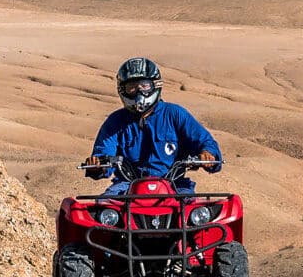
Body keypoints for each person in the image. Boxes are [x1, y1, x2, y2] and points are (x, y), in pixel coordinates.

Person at [85, 57, 221, 195]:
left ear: (155, 85)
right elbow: (103, 152)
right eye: (132, 87)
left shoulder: (175, 114)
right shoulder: (115, 121)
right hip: (126, 186)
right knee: (101, 209)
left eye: (144, 86)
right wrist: (97, 165)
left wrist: (207, 155)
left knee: (196, 213)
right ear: (122, 90)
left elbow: (205, 141)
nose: (138, 92)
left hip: (174, 184)